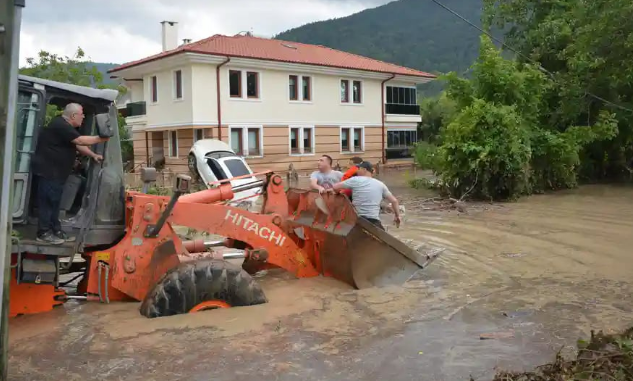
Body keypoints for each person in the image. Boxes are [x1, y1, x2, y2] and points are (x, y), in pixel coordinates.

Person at [31, 103, 109, 244]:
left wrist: (93, 155)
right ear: (73, 116)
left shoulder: (65, 128)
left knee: (55, 203)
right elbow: (80, 140)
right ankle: (43, 233)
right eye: (82, 114)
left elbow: (77, 145)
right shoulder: (60, 125)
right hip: (49, 172)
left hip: (57, 174)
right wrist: (101, 138)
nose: (83, 117)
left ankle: (56, 230)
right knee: (48, 203)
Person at [332, 161, 401, 230]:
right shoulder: (380, 184)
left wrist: (338, 192)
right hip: (374, 221)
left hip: (358, 220)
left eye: (358, 169)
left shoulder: (355, 180)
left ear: (364, 169)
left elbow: (335, 187)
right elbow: (394, 201)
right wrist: (397, 216)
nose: (356, 171)